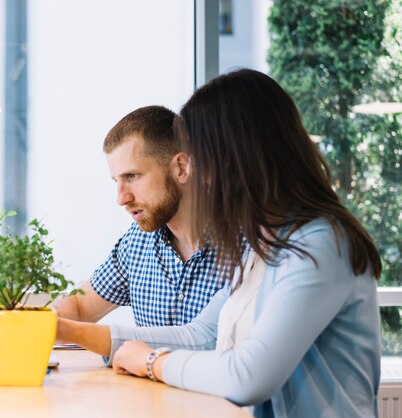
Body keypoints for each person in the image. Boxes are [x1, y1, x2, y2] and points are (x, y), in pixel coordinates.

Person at [57, 69, 382, 417]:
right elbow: (204, 336)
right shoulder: (267, 243)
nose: (196, 174)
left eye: (201, 157)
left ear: (239, 155)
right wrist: (66, 331)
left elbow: (249, 376)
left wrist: (155, 362)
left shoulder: (320, 243)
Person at [54, 105, 228, 327]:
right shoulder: (138, 241)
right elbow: (79, 307)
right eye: (116, 181)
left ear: (181, 168)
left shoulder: (247, 246)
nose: (121, 198)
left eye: (132, 176)